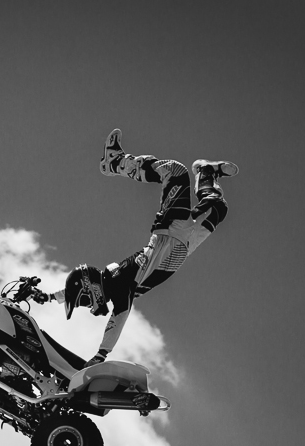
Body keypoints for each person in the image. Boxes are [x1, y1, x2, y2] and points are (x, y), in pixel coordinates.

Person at [33, 129, 238, 367]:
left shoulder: (118, 282)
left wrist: (100, 352)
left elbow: (115, 317)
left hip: (169, 232)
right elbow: (97, 300)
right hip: (182, 245)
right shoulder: (116, 285)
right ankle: (206, 172)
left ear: (91, 289)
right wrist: (51, 298)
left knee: (176, 172)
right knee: (217, 207)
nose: (89, 307)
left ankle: (116, 162)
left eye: (86, 301)